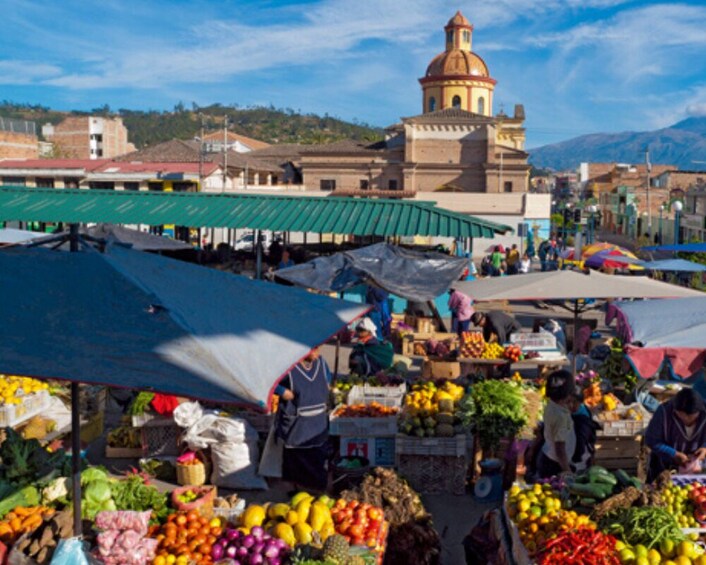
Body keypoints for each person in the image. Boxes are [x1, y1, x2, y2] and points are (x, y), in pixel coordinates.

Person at [274, 348, 331, 492]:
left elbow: (327, 380)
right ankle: (296, 491)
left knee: (317, 459)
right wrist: (282, 391)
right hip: (296, 424)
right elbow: (268, 382)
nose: (317, 353)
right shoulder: (287, 366)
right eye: (314, 349)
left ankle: (316, 491)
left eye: (318, 349)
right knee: (296, 462)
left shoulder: (322, 363)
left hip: (318, 423)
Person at [645, 388, 706, 482]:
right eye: (681, 415)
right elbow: (651, 440)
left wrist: (704, 448)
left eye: (690, 416)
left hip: (697, 473)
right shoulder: (664, 411)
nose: (686, 419)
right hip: (663, 471)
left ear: (699, 411)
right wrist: (673, 454)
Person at [537, 370, 576, 478]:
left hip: (547, 457)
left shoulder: (551, 406)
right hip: (555, 464)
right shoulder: (561, 417)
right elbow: (559, 447)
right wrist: (567, 470)